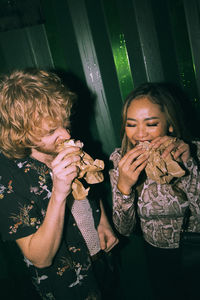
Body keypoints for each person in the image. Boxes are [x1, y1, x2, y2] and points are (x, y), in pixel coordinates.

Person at [0, 69, 119, 300]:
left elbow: (92, 187)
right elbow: (40, 258)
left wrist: (103, 221)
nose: (65, 133)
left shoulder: (63, 144)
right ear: (20, 135)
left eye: (64, 121)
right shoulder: (6, 178)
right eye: (51, 130)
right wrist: (59, 192)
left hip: (104, 266)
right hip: (69, 288)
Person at [109, 82, 200, 300]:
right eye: (131, 124)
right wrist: (124, 186)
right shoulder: (120, 160)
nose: (139, 134)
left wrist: (189, 166)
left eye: (150, 124)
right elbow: (124, 229)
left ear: (169, 124)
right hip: (157, 257)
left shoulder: (194, 151)